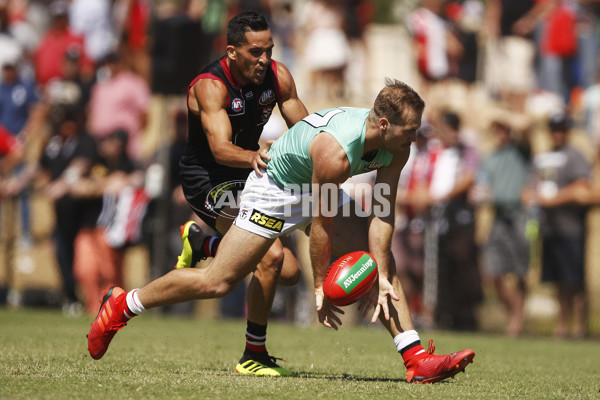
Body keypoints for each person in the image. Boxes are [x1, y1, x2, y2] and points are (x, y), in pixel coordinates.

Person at [87, 79, 475, 384]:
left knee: (381, 261)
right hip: (276, 190)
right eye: (410, 130)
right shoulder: (335, 151)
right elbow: (323, 225)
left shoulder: (398, 146)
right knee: (218, 281)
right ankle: (123, 305)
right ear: (385, 124)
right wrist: (322, 285)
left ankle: (416, 360)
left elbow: (382, 214)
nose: (416, 138)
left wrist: (384, 275)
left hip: (317, 188)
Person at [176, 11, 309, 375]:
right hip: (207, 178)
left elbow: (308, 130)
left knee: (290, 271)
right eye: (255, 52)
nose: (264, 60)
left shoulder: (279, 76)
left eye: (268, 50)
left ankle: (204, 246)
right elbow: (219, 149)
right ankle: (254, 354)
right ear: (231, 51)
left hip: (250, 175)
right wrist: (255, 155)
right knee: (270, 257)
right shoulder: (210, 86)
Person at [522, 112, 591, 339]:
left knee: (574, 280)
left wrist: (553, 199)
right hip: (549, 227)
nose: (557, 133)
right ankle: (561, 325)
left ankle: (579, 326)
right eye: (554, 129)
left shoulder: (575, 156)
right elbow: (532, 184)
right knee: (557, 280)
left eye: (561, 128)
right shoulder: (542, 157)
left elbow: (582, 187)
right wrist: (531, 196)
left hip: (571, 227)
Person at [473, 113, 532, 337]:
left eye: (503, 129)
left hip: (520, 215)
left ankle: (515, 322)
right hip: (498, 216)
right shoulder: (490, 157)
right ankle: (515, 313)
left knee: (520, 271)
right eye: (497, 129)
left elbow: (527, 126)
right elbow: (482, 184)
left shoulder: (521, 151)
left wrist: (506, 116)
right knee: (492, 272)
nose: (500, 133)